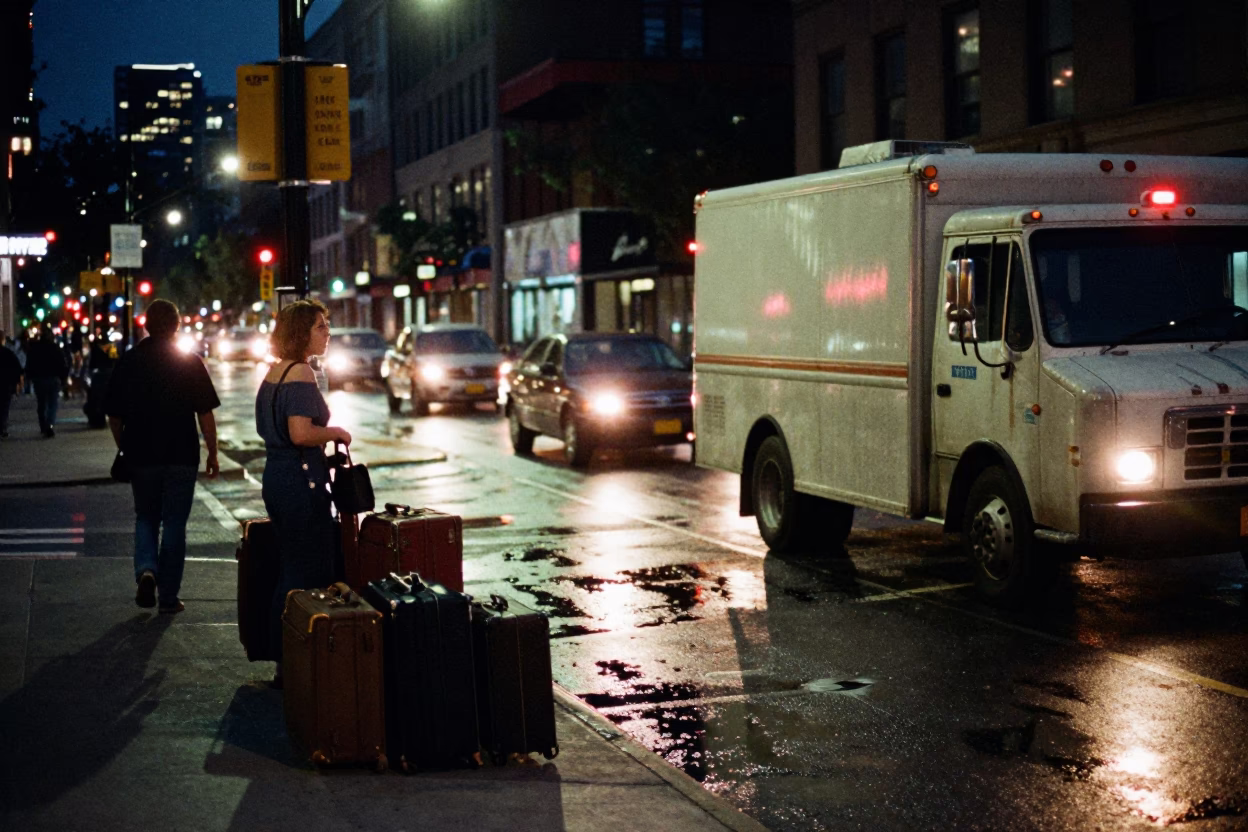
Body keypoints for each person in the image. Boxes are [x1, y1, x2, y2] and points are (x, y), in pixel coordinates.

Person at [254, 299, 351, 687]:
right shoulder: (302, 374)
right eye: (320, 327)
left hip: (276, 476)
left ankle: (284, 656)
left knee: (289, 563)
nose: (327, 333)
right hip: (300, 479)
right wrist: (336, 433)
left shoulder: (274, 373)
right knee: (305, 569)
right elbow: (300, 432)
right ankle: (292, 657)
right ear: (301, 333)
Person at [106, 299, 221, 614]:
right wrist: (212, 452)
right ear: (176, 326)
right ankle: (168, 596)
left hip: (141, 454)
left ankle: (146, 568)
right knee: (174, 523)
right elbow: (205, 414)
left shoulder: (130, 361)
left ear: (146, 325)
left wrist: (124, 446)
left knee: (145, 516)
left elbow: (114, 417)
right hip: (182, 453)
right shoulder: (189, 362)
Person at [24, 324, 69, 437]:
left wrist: (28, 377)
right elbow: (62, 364)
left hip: (39, 379)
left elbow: (30, 363)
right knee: (53, 402)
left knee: (41, 403)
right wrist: (64, 378)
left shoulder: (34, 348)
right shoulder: (55, 348)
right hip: (53, 378)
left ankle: (43, 424)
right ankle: (50, 423)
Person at [0, 332, 23, 438]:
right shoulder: (8, 353)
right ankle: (2, 427)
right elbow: (17, 369)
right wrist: (18, 383)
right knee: (4, 407)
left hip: (6, 384)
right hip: (5, 384)